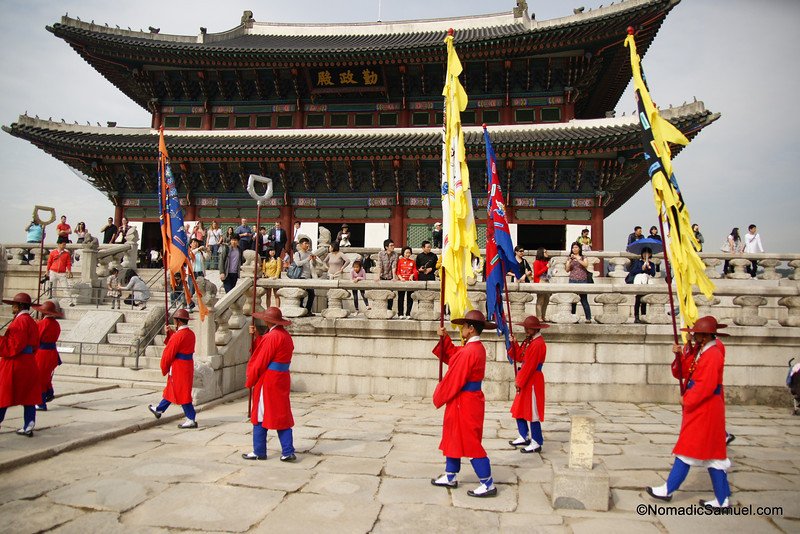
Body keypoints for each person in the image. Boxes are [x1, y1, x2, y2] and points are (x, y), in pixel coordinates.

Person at [646, 316, 732, 508]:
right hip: (703, 407)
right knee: (714, 456)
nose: (693, 337)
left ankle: (668, 489)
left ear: (705, 335)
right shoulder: (701, 352)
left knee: (687, 449)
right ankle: (722, 499)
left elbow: (706, 385)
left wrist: (689, 399)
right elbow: (683, 372)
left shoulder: (714, 354)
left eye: (696, 334)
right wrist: (679, 355)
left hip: (706, 408)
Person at [431, 310, 497, 498]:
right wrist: (444, 340)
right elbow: (454, 355)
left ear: (471, 329)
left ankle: (487, 482)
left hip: (465, 401)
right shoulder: (472, 348)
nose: (461, 329)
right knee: (453, 436)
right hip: (465, 399)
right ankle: (450, 475)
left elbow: (455, 376)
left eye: (464, 326)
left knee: (469, 440)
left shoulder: (470, 351)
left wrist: (440, 392)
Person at [244, 307, 297, 461]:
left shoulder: (271, 337)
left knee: (259, 414)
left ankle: (259, 450)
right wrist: (258, 336)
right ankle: (288, 450)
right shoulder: (285, 335)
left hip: (269, 380)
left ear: (267, 320)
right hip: (282, 377)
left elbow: (260, 360)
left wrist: (250, 379)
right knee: (282, 413)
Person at [148, 309, 198, 429]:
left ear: (178, 321)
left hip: (179, 366)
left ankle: (191, 418)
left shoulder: (179, 335)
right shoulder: (190, 333)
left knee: (182, 392)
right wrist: (170, 333)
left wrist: (164, 366)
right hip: (186, 365)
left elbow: (170, 351)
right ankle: (159, 409)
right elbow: (178, 343)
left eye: (175, 320)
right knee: (172, 389)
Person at [0, 293, 41, 436]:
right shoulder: (31, 321)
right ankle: (29, 424)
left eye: (14, 304)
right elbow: (36, 344)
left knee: (3, 394)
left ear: (19, 306)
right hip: (28, 361)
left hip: (15, 362)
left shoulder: (20, 322)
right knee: (28, 395)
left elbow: (13, 346)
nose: (12, 307)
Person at [508, 315, 549, 453]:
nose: (525, 329)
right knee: (519, 408)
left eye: (527, 327)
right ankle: (523, 435)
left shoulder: (538, 344)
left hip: (532, 380)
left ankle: (536, 441)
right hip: (527, 377)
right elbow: (520, 356)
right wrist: (514, 343)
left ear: (534, 328)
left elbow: (530, 366)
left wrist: (519, 381)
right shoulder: (530, 341)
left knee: (533, 412)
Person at [32, 300, 63, 411]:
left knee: (40, 377)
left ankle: (41, 403)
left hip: (42, 353)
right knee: (46, 376)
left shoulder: (42, 324)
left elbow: (36, 338)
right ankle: (49, 393)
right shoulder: (56, 324)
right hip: (52, 352)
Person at [626, 247, 659, 323]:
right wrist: (642, 269)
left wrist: (649, 268)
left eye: (647, 253)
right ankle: (636, 317)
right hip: (639, 282)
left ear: (650, 254)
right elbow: (633, 271)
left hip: (646, 283)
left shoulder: (652, 264)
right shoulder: (638, 262)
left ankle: (643, 316)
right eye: (644, 253)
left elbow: (653, 273)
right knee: (638, 300)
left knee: (644, 300)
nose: (645, 255)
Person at [566, 242, 592, 322]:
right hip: (573, 280)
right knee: (573, 300)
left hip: (583, 280)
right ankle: (573, 318)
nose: (574, 249)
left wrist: (577, 259)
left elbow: (585, 265)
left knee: (584, 300)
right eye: (573, 247)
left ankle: (588, 318)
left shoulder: (583, 257)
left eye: (576, 247)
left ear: (579, 248)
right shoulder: (569, 258)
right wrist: (569, 261)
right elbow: (567, 270)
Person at [47, 241, 75, 307]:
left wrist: (69, 271)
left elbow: (68, 263)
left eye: (65, 244)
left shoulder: (67, 254)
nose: (64, 246)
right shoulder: (53, 253)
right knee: (53, 288)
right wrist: (47, 271)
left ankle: (70, 302)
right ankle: (53, 302)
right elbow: (49, 262)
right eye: (63, 244)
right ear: (59, 244)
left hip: (62, 273)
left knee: (65, 287)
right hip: (53, 271)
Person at [293, 237, 316, 315]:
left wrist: (314, 260)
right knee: (301, 295)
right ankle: (301, 309)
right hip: (301, 276)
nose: (307, 245)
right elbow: (298, 263)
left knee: (312, 294)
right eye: (305, 243)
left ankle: (308, 310)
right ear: (300, 244)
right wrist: (307, 259)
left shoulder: (310, 253)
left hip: (308, 276)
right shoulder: (297, 253)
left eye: (308, 243)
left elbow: (314, 265)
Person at [396, 246, 418, 318]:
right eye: (406, 253)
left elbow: (415, 270)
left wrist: (412, 275)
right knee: (400, 298)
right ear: (403, 253)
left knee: (410, 298)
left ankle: (408, 313)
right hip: (401, 281)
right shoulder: (399, 261)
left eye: (409, 253)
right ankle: (400, 313)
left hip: (410, 282)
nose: (408, 254)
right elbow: (398, 271)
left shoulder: (413, 262)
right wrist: (401, 278)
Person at [378, 239, 398, 311]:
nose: (393, 247)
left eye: (393, 245)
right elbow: (380, 265)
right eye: (391, 245)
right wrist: (378, 276)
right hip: (382, 276)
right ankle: (381, 309)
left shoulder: (395, 254)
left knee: (390, 295)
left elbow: (394, 266)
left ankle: (389, 310)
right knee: (382, 294)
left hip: (390, 276)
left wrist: (394, 277)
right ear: (386, 247)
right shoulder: (381, 254)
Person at [532, 248, 550, 320]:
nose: (547, 253)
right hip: (540, 281)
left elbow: (547, 273)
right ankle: (539, 316)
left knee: (546, 300)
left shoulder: (546, 262)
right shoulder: (536, 262)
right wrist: (546, 267)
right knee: (540, 300)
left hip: (546, 280)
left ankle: (543, 316)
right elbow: (536, 274)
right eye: (545, 252)